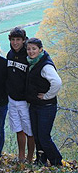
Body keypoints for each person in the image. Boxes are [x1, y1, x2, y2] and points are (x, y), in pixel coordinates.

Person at [26, 38, 62, 166]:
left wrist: (47, 96)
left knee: (44, 137)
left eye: (34, 49)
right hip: (35, 105)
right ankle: (41, 160)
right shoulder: (33, 62)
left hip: (46, 107)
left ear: (40, 49)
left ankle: (57, 162)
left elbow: (57, 82)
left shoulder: (45, 65)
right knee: (37, 136)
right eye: (29, 49)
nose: (31, 51)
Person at [6, 27, 34, 163]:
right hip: (12, 98)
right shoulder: (9, 54)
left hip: (25, 100)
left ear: (24, 40)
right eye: (13, 40)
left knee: (30, 130)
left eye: (18, 40)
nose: (15, 42)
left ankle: (30, 157)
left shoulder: (28, 55)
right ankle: (21, 156)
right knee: (18, 129)